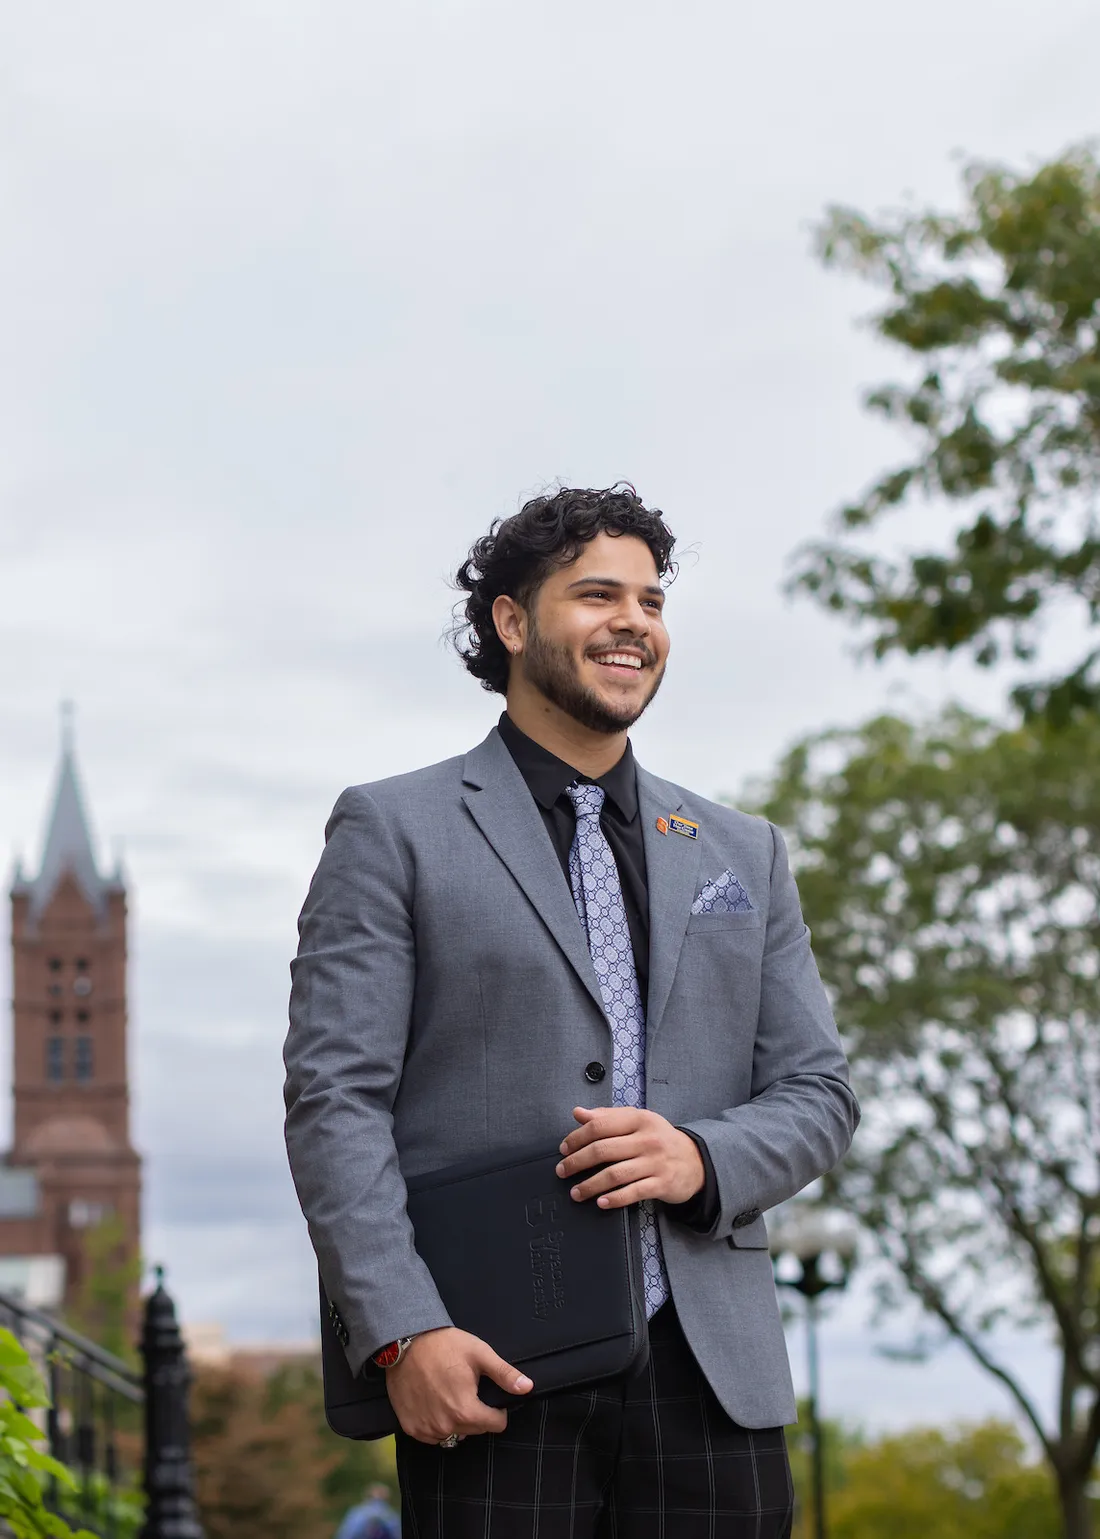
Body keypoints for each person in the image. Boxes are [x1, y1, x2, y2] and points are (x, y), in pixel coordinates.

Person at [284, 484, 859, 1537]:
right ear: (511, 621)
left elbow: (819, 1092)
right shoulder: (390, 829)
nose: (633, 623)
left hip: (713, 1375)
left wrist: (700, 1158)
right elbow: (335, 1102)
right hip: (490, 1364)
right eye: (598, 595)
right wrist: (403, 1334)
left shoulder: (743, 852)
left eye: (649, 601)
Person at [333, 1482, 401, 1539]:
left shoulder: (357, 1512)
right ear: (387, 1498)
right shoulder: (391, 1515)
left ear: (366, 1496)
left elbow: (345, 1535)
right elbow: (398, 1534)